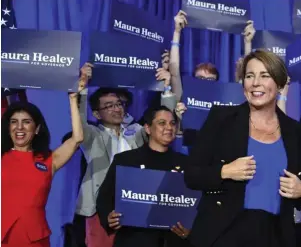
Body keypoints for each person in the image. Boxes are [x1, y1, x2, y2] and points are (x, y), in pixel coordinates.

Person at [184, 49, 301, 247]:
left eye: (264, 76)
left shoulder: (296, 131)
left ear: (279, 83)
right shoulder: (221, 119)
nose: (255, 82)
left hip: (274, 235)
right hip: (224, 232)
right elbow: (191, 175)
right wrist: (224, 171)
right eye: (249, 76)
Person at [75, 63, 177, 247]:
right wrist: (82, 87)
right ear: (97, 114)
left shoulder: (137, 131)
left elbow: (162, 123)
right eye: (109, 106)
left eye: (119, 104)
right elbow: (79, 122)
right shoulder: (92, 135)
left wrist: (167, 88)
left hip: (138, 203)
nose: (116, 109)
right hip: (101, 209)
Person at [96, 106, 191, 247]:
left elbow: (197, 203)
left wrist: (191, 231)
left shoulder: (187, 163)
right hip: (134, 240)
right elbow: (105, 197)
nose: (169, 127)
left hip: (173, 240)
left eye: (172, 123)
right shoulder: (126, 160)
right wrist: (109, 218)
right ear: (147, 128)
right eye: (162, 123)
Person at [1, 90, 83, 247]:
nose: (19, 127)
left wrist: (73, 98)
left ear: (37, 129)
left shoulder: (47, 160)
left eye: (26, 122)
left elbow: (77, 138)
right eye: (14, 122)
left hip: (35, 239)